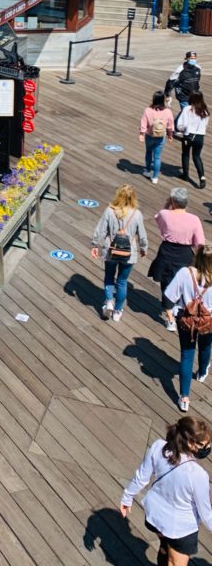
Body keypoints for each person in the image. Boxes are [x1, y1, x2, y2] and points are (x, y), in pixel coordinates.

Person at [120, 415, 212, 565]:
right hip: (180, 529)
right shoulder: (198, 475)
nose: (207, 448)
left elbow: (141, 478)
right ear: (190, 443)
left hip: (154, 516)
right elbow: (206, 514)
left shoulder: (159, 447)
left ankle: (164, 548)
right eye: (204, 445)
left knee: (166, 547)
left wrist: (127, 497)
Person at [148, 188, 205, 331]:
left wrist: (167, 204)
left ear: (173, 201)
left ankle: (170, 319)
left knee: (166, 285)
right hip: (185, 254)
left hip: (167, 251)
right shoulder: (194, 219)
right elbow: (200, 243)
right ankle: (180, 310)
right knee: (185, 283)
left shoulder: (165, 214)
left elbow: (158, 217)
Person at [90, 184, 148, 322]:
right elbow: (142, 235)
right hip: (129, 253)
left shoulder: (110, 211)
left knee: (109, 277)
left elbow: (101, 230)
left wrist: (95, 244)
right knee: (122, 282)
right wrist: (143, 248)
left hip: (111, 250)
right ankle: (118, 311)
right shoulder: (137, 214)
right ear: (133, 198)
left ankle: (109, 300)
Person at [165, 246, 212, 412]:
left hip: (186, 319)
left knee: (187, 354)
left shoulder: (185, 273)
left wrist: (170, 317)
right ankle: (202, 372)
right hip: (208, 321)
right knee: (206, 347)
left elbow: (169, 296)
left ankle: (184, 397)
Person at [140, 90, 175, 184]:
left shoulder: (148, 110)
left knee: (148, 153)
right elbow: (170, 126)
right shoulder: (168, 111)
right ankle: (155, 177)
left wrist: (141, 134)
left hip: (149, 135)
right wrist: (170, 135)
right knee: (157, 157)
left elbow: (143, 123)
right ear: (163, 100)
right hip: (160, 137)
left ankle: (148, 171)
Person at [177, 91, 209, 190]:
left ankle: (185, 175)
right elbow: (205, 124)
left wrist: (181, 130)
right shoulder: (205, 111)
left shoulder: (187, 109)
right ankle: (202, 177)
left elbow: (181, 125)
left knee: (185, 154)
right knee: (197, 156)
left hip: (189, 136)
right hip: (200, 137)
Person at [166, 52, 201, 122]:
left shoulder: (198, 68)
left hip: (193, 95)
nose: (193, 60)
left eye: (194, 58)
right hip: (183, 95)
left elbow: (197, 81)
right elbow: (170, 81)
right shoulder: (180, 69)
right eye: (191, 58)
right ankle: (176, 126)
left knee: (185, 112)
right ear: (187, 59)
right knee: (186, 112)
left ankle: (175, 124)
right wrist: (168, 95)